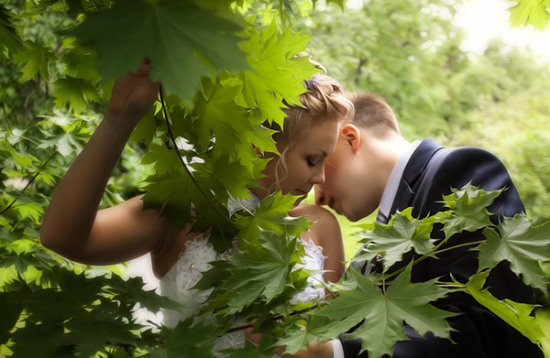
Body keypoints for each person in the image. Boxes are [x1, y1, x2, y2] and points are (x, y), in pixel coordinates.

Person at [39, 60, 351, 350]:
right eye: (312, 159)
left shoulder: (321, 226)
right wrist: (120, 119)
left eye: (325, 161)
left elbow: (334, 341)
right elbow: (63, 237)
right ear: (259, 143)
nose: (320, 176)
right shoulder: (182, 210)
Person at [289, 91, 542, 357]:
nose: (317, 192)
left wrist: (335, 353)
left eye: (318, 158)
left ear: (350, 139)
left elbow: (481, 327)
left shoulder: (460, 171)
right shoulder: (368, 252)